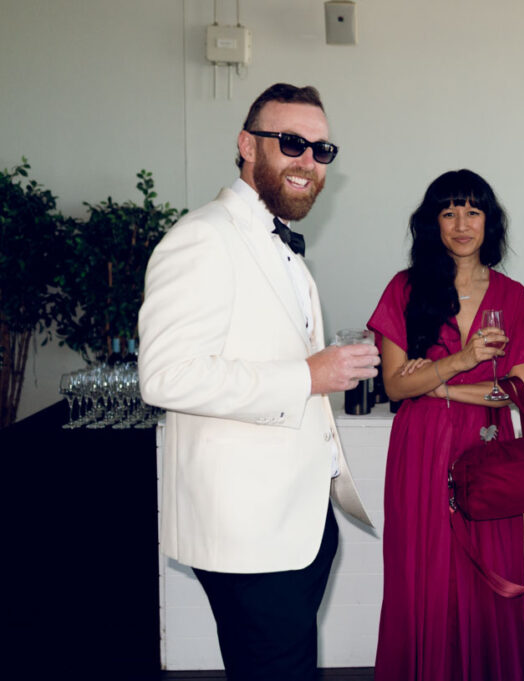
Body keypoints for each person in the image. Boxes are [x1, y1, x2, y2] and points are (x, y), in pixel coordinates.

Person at [138, 83, 379, 681]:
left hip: (296, 526)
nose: (308, 160)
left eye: (321, 150)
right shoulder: (202, 237)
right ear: (248, 145)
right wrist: (309, 375)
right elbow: (164, 376)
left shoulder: (282, 248)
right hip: (248, 533)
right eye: (292, 142)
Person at [369, 169, 524, 681]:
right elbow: (395, 386)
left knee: (488, 573)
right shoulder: (404, 289)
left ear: (490, 221)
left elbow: (517, 391)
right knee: (421, 572)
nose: (462, 224)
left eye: (472, 211)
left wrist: (436, 385)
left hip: (488, 449)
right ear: (433, 223)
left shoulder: (513, 296)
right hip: (420, 450)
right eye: (449, 213)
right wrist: (462, 361)